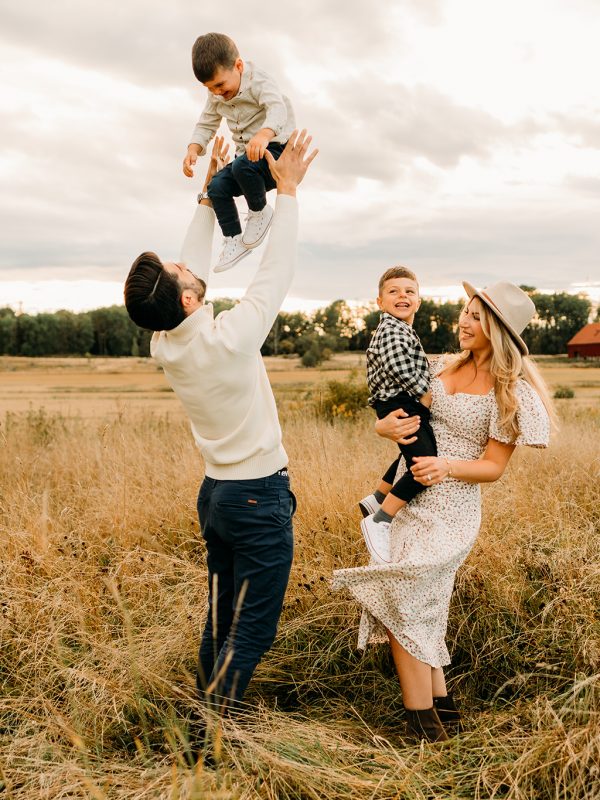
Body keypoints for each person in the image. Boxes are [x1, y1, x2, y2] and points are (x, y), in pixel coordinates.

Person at [125, 130, 317, 715]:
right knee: (252, 627)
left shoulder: (168, 343)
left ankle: (209, 710)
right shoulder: (229, 339)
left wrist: (210, 199)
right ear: (185, 300)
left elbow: (191, 272)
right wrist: (287, 194)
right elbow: (274, 272)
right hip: (257, 498)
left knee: (221, 613)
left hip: (218, 498)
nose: (188, 264)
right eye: (181, 270)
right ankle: (215, 728)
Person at [333, 281, 554, 743]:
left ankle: (421, 726)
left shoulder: (509, 392)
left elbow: (493, 467)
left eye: (475, 316)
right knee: (420, 606)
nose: (463, 322)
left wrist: (446, 466)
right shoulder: (438, 367)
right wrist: (381, 427)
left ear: (497, 329)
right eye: (465, 312)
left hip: (452, 508)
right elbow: (400, 412)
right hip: (407, 497)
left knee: (404, 599)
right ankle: (441, 710)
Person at [182, 32, 296, 273]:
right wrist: (194, 148)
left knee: (240, 165)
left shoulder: (259, 81)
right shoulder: (215, 95)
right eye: (210, 88)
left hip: (274, 152)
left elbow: (277, 109)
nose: (217, 93)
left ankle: (260, 211)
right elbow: (207, 122)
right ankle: (234, 239)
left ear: (239, 66)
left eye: (221, 85)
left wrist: (264, 135)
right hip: (246, 163)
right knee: (216, 186)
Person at [359, 266, 437, 565]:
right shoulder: (391, 329)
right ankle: (380, 519)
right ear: (380, 302)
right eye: (393, 291)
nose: (402, 296)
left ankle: (379, 496)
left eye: (409, 292)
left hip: (398, 401)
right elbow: (399, 365)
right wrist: (425, 395)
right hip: (401, 402)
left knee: (413, 454)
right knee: (425, 467)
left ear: (418, 301)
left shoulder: (402, 328)